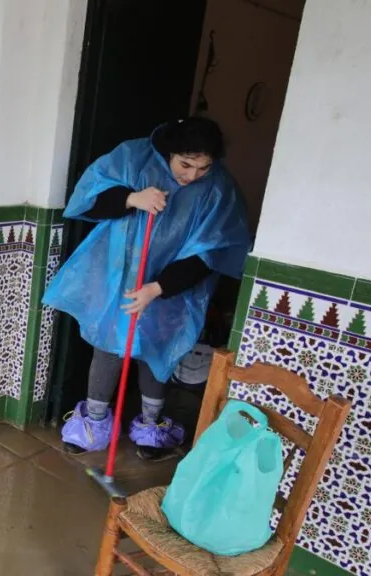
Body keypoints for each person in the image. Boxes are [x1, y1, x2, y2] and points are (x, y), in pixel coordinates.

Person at [42, 117, 251, 461]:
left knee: (157, 349)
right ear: (170, 153)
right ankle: (93, 423)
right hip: (120, 278)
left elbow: (211, 252)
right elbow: (88, 200)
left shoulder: (218, 188)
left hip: (171, 288)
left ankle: (151, 427)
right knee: (108, 344)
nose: (192, 175)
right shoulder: (133, 158)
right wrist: (130, 198)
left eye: (203, 167)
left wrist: (158, 288)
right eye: (185, 164)